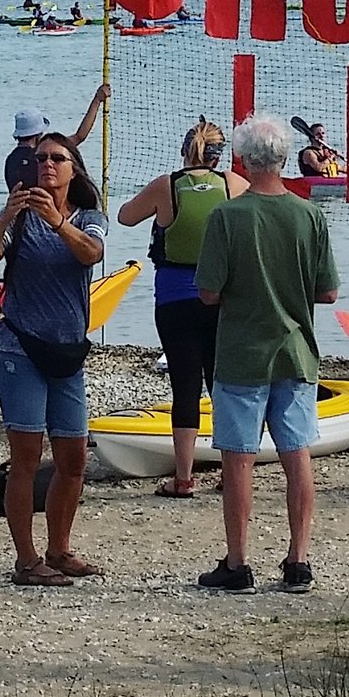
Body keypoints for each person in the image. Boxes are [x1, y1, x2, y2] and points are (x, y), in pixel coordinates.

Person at [193, 115, 339, 594]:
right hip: (296, 350)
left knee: (238, 459)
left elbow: (209, 293)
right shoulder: (309, 215)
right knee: (297, 456)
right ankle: (298, 558)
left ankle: (237, 560)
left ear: (244, 160)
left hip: (240, 352)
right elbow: (329, 292)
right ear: (282, 159)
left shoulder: (227, 216)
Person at [0, 129, 108, 584]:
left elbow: (91, 254)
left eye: (57, 159)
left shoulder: (87, 215)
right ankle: (27, 559)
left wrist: (57, 221)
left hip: (68, 351)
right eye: (41, 158)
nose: (47, 165)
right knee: (25, 457)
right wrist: (8, 215)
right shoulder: (20, 217)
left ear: (73, 169)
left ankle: (60, 549)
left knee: (73, 459)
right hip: (20, 347)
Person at [115, 118, 245, 497]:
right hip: (221, 298)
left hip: (174, 299)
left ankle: (184, 477)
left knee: (184, 386)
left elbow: (125, 216)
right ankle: (230, 472)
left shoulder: (166, 185)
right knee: (223, 385)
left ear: (184, 151)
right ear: (220, 156)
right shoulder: (232, 185)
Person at [4, 86, 110, 189]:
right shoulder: (41, 156)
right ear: (38, 135)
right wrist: (97, 100)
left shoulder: (10, 161)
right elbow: (79, 136)